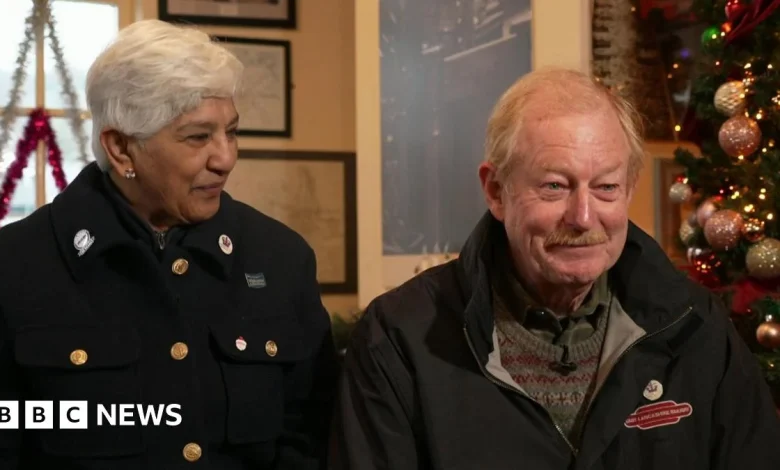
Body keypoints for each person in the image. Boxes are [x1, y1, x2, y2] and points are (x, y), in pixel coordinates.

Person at [331, 67, 780, 469]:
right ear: (496, 191)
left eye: (605, 187)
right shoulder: (399, 338)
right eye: (554, 186)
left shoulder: (695, 326)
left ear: (629, 190)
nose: (583, 217)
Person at [0, 19, 337, 469]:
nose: (226, 158)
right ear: (121, 150)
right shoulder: (15, 267)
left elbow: (311, 439)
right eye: (198, 137)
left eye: (231, 131)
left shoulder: (281, 259)